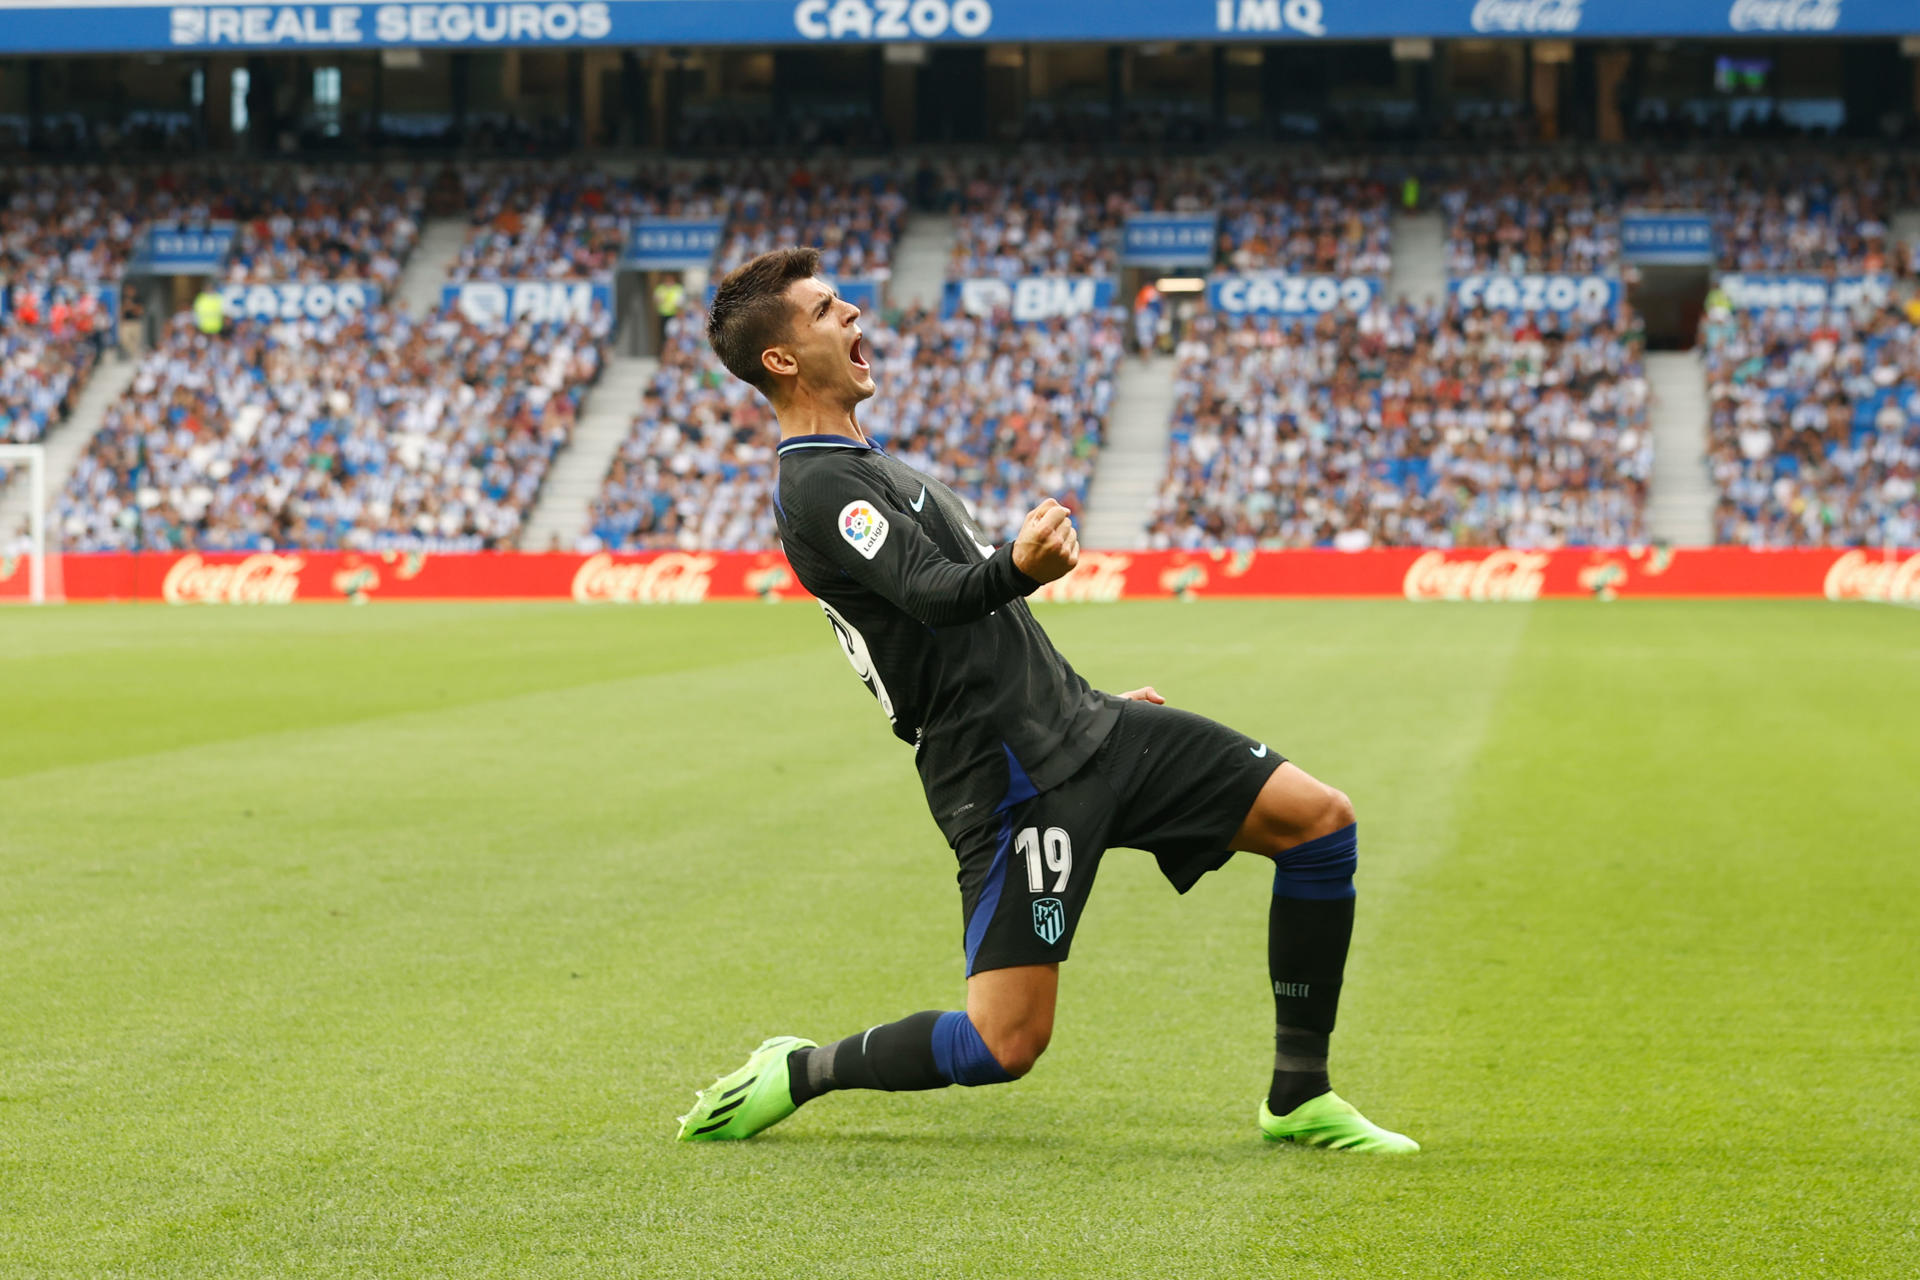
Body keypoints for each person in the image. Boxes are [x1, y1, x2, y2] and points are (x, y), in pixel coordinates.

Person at [675, 247, 1417, 1154]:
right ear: (782, 359)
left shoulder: (869, 463)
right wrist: (1017, 567)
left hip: (1087, 726)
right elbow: (941, 595)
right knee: (1005, 1041)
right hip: (1004, 776)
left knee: (1318, 822)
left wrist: (1089, 692)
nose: (855, 316)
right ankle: (798, 1070)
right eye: (829, 309)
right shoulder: (819, 484)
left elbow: (979, 637)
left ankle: (1299, 1095)